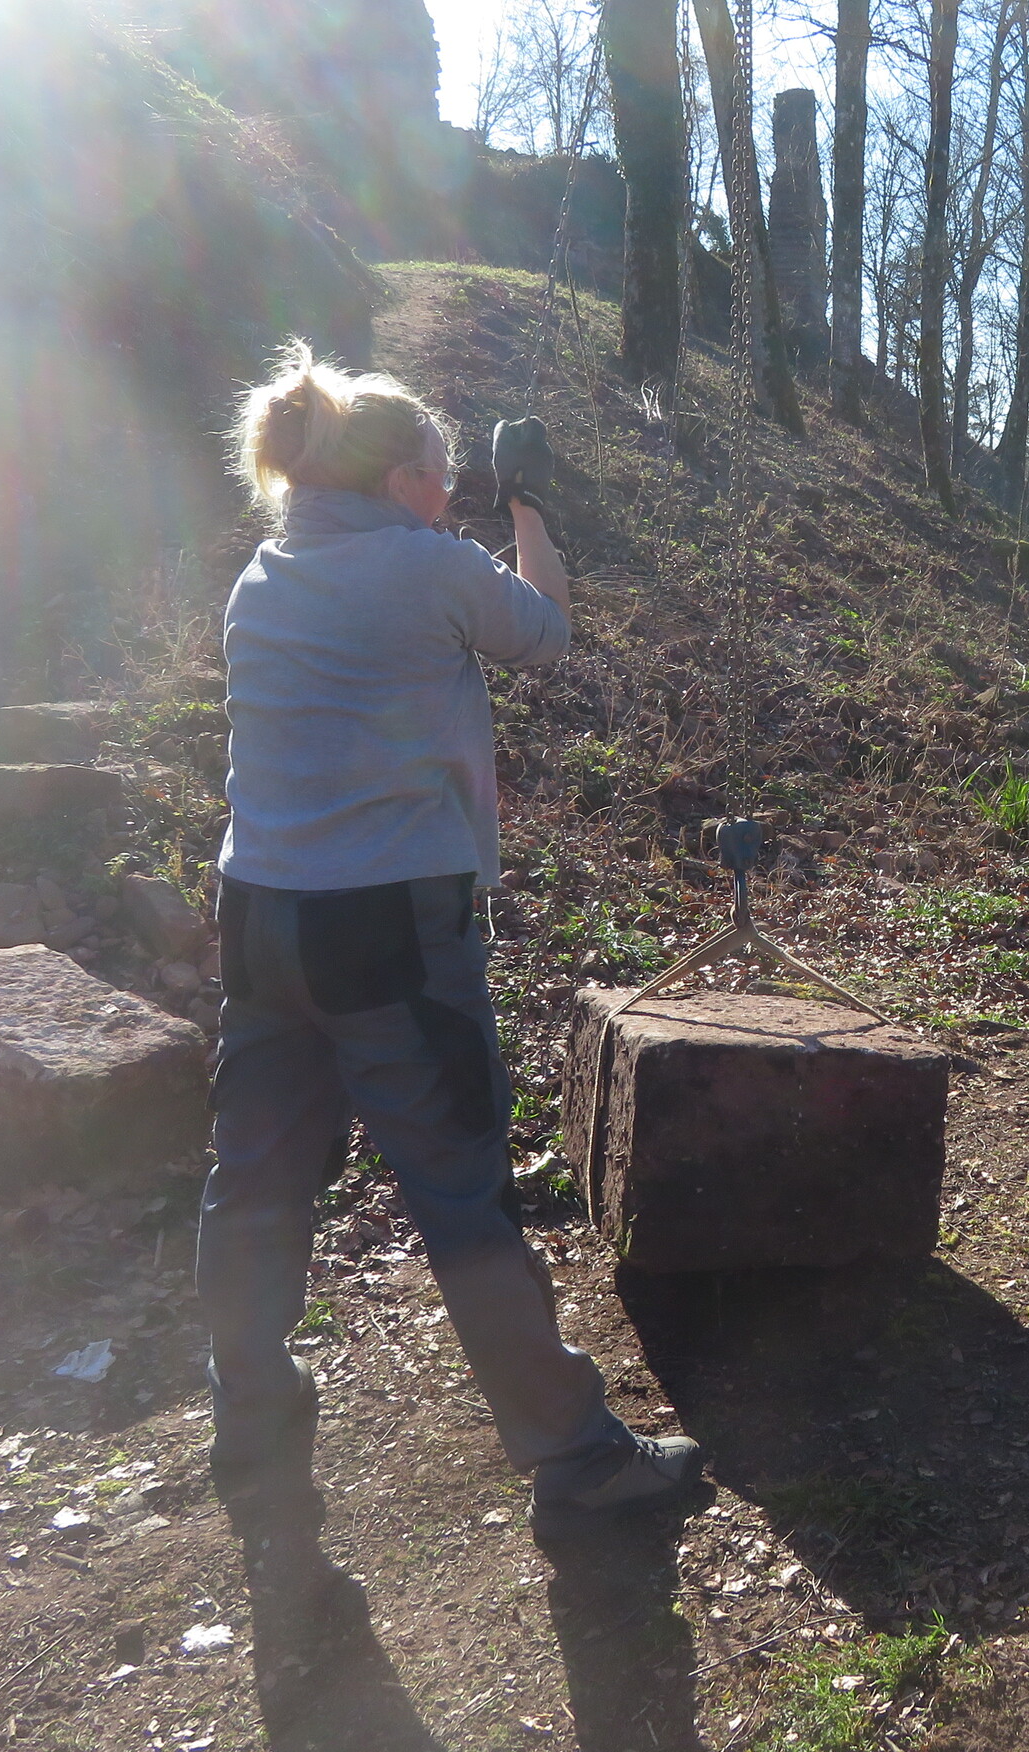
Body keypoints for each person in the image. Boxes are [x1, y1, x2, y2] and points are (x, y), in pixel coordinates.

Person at [197, 340, 700, 1532]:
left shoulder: (261, 575)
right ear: (399, 481)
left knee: (255, 1182)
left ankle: (250, 1419)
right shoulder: (427, 567)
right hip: (386, 930)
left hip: (256, 915)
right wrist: (529, 506)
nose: (449, 486)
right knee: (462, 1194)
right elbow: (546, 631)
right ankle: (576, 1456)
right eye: (440, 469)